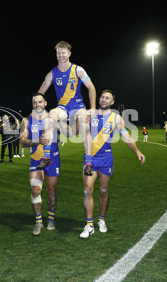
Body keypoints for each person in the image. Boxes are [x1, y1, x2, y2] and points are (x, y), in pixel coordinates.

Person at [79, 90, 145, 238]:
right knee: (87, 190)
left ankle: (101, 220)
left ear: (112, 102)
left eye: (107, 98)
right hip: (90, 158)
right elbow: (80, 132)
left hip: (106, 159)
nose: (103, 100)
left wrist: (137, 152)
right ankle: (89, 225)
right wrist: (82, 121)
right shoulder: (90, 114)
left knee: (103, 191)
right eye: (102, 97)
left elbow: (127, 136)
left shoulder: (116, 118)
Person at [37, 41, 96, 175]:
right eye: (58, 53)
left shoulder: (78, 70)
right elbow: (41, 91)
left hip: (78, 105)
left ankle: (88, 163)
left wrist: (92, 107)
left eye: (63, 52)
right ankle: (46, 157)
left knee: (84, 122)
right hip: (62, 107)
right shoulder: (52, 73)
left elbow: (91, 87)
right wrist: (37, 104)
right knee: (50, 115)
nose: (61, 55)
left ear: (69, 54)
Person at [20, 93, 69, 236]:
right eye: (34, 102)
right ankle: (38, 222)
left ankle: (51, 219)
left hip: (53, 159)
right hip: (36, 160)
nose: (37, 105)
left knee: (52, 190)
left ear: (46, 103)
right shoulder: (27, 120)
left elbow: (70, 133)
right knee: (35, 190)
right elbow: (22, 141)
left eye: (40, 102)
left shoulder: (52, 119)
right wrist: (38, 142)